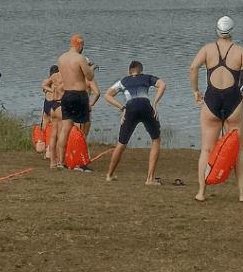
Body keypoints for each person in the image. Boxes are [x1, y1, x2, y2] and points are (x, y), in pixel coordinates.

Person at [189, 15, 243, 202]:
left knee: (206, 150)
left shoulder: (207, 49)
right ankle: (242, 194)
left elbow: (193, 68)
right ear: (232, 32)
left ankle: (201, 193)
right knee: (237, 151)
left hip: (211, 100)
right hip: (233, 102)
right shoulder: (239, 51)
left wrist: (196, 91)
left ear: (217, 31)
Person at [104, 61, 166, 183]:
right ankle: (149, 179)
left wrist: (122, 108)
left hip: (130, 108)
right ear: (141, 71)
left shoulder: (123, 81)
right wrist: (154, 104)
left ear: (129, 72)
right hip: (145, 106)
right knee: (156, 140)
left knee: (121, 144)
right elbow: (162, 84)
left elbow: (107, 95)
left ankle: (109, 175)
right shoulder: (146, 77)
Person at [55, 35, 101, 173]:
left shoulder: (61, 59)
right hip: (79, 95)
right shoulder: (80, 58)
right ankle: (79, 163)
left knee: (65, 129)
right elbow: (89, 77)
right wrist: (91, 68)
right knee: (82, 129)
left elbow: (63, 78)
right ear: (80, 46)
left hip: (67, 94)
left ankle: (60, 161)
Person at [39, 64, 64, 166]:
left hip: (46, 105)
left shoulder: (49, 81)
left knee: (45, 128)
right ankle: (55, 156)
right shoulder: (60, 81)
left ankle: (45, 150)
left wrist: (50, 90)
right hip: (55, 104)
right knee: (57, 132)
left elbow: (43, 86)